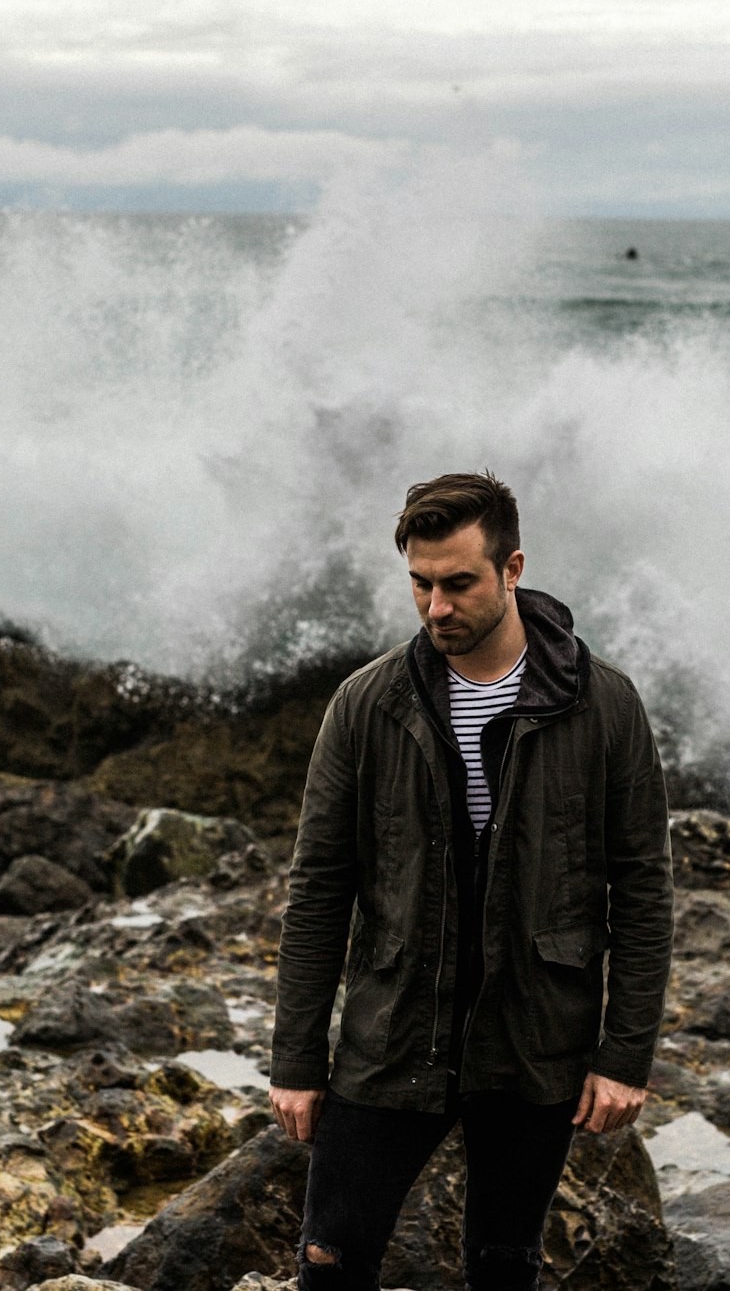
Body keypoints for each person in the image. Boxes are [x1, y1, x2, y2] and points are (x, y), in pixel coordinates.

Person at [268, 472, 673, 1291]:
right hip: (392, 1029)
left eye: (458, 583)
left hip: (535, 1037)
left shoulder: (604, 707)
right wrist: (296, 1058)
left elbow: (642, 892)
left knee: (503, 1265)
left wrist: (624, 1055)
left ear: (512, 568)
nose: (436, 607)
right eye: (420, 584)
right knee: (330, 1259)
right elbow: (318, 889)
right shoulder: (365, 705)